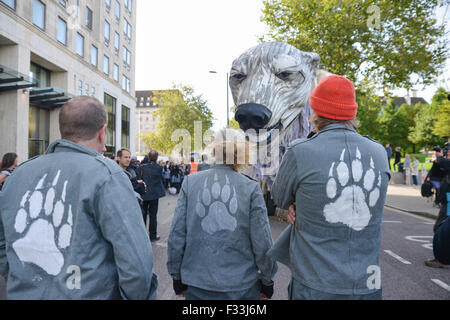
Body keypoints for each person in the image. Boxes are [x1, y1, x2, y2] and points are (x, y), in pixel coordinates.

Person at [0, 96, 157, 299]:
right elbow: (136, 263)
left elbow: (3, 244)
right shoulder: (107, 176)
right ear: (102, 132)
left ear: (63, 129)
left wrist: (23, 277)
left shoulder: (18, 175)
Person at [268, 75, 390, 300]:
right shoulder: (379, 153)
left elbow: (278, 197)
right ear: (352, 113)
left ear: (313, 112)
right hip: (367, 283)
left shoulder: (300, 151)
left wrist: (297, 204)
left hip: (314, 283)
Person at [167, 128, 277, 300]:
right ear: (242, 153)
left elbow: (177, 233)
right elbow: (262, 239)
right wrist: (267, 280)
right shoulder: (250, 187)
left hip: (197, 283)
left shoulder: (190, 182)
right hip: (241, 285)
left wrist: (176, 275)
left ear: (213, 151)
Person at [425, 151, 450, 268]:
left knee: (441, 228)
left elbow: (445, 163)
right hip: (446, 200)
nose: (447, 155)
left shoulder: (446, 163)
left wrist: (440, 158)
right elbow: (435, 173)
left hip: (449, 202)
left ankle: (442, 259)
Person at [140, 149, 166, 242]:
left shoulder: (142, 167)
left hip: (144, 193)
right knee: (153, 216)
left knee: (143, 215)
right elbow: (161, 179)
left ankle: (142, 235)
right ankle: (153, 235)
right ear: (156, 158)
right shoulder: (159, 167)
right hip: (154, 194)